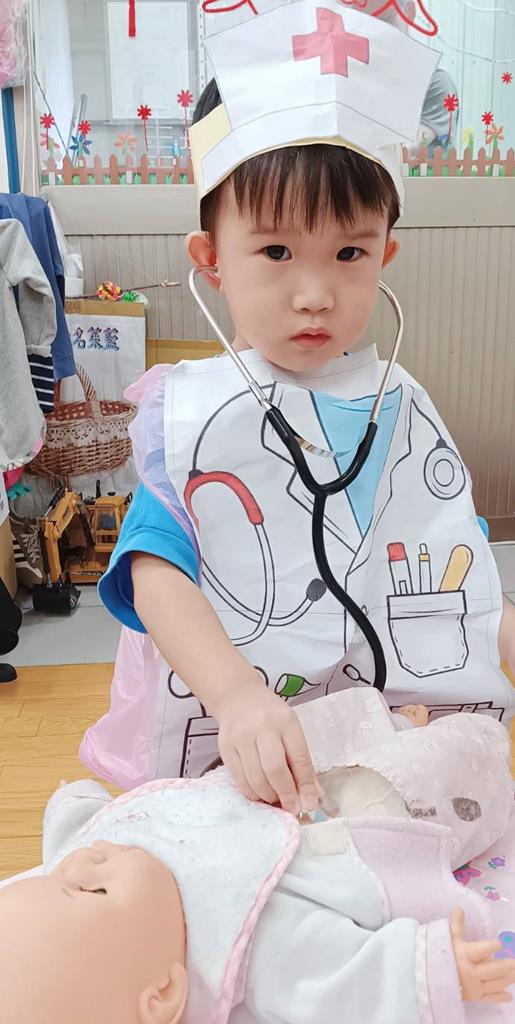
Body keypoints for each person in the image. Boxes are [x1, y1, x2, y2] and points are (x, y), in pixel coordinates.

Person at [79, 1, 515, 811]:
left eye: (348, 252)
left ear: (385, 254)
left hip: (382, 742)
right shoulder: (192, 413)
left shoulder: (398, 402)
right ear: (212, 260)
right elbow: (151, 569)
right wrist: (236, 695)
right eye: (276, 250)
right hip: (246, 744)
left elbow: (445, 562)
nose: (314, 293)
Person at [1, 690, 515, 1024]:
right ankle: (416, 740)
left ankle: (390, 723)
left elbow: (71, 834)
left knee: (298, 734)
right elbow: (338, 981)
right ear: (164, 994)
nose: (82, 861)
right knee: (424, 779)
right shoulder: (246, 945)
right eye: (93, 889)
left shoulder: (85, 858)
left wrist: (73, 801)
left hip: (251, 784)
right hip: (335, 824)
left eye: (55, 874)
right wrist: (436, 967)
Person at [373, 0, 460, 155]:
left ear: (409, 12)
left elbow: (405, 151)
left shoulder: (434, 82)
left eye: (386, 18)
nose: (375, 30)